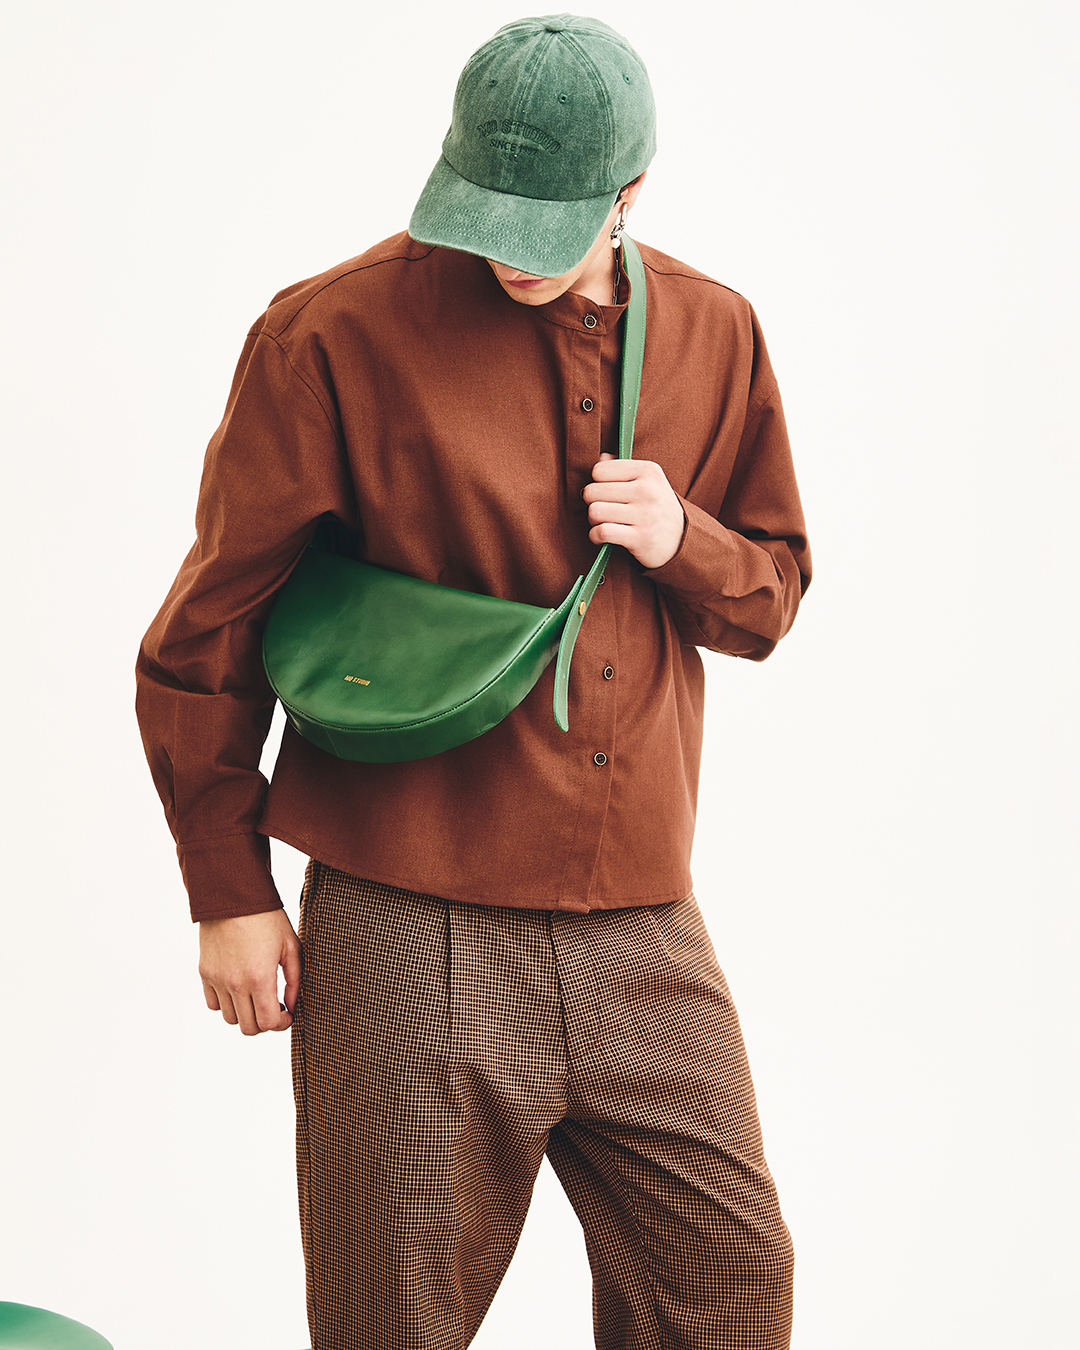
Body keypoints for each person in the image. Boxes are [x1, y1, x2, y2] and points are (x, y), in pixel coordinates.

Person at [136, 14, 811, 1350]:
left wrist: (684, 539)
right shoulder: (331, 333)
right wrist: (227, 885)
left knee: (730, 1284)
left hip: (640, 910)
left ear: (629, 192)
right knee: (389, 1315)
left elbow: (772, 596)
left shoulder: (716, 332)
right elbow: (210, 624)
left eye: (545, 223)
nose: (509, 252)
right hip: (404, 898)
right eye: (484, 211)